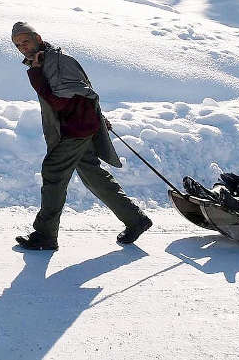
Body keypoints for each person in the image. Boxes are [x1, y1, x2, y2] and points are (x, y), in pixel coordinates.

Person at [10, 21, 152, 251]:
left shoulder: (57, 62)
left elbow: (60, 99)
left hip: (75, 130)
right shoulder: (48, 61)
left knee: (53, 171)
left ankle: (45, 235)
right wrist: (98, 116)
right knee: (92, 175)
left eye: (25, 41)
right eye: (17, 45)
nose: (23, 47)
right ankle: (135, 220)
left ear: (38, 37)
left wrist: (35, 75)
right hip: (79, 126)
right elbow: (83, 92)